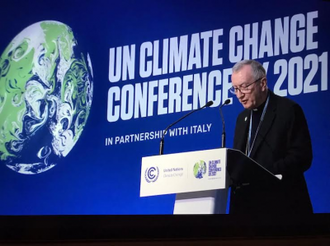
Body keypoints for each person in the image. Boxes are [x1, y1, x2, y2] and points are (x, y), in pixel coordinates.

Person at [229, 59, 313, 214]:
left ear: (262, 83)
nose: (239, 95)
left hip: (282, 205)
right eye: (235, 89)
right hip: (245, 208)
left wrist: (265, 174)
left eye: (244, 87)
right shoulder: (242, 119)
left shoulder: (288, 110)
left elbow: (302, 157)